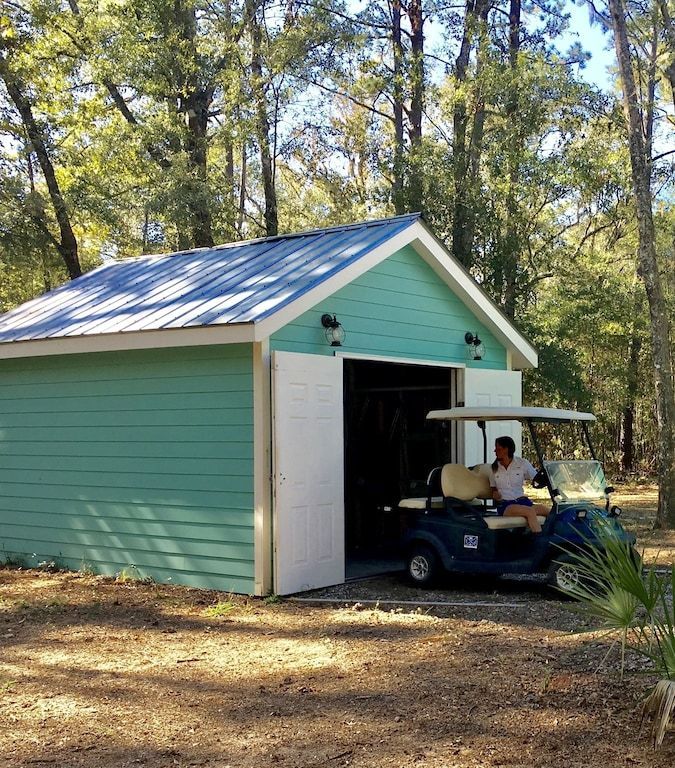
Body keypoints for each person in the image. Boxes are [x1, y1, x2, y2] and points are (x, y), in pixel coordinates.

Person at [489, 435, 550, 533]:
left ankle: (558, 538)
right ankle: (540, 541)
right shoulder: (494, 468)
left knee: (548, 511)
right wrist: (495, 494)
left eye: (498, 448)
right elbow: (493, 489)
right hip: (506, 505)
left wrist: (548, 478)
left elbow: (536, 478)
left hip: (523, 502)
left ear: (506, 449)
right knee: (529, 512)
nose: (495, 451)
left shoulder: (522, 463)